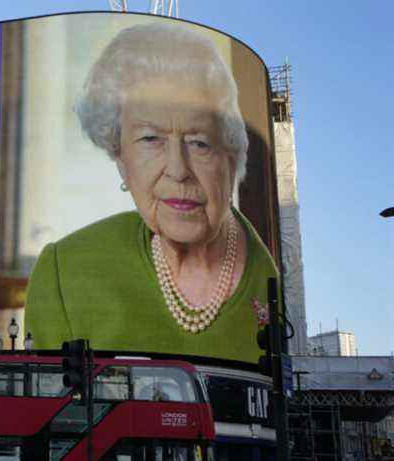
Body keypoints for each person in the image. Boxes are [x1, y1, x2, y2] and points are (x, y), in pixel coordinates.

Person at [25, 22, 278, 363]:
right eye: (150, 139)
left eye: (198, 142)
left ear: (230, 156)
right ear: (120, 158)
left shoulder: (270, 282)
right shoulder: (66, 272)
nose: (177, 169)